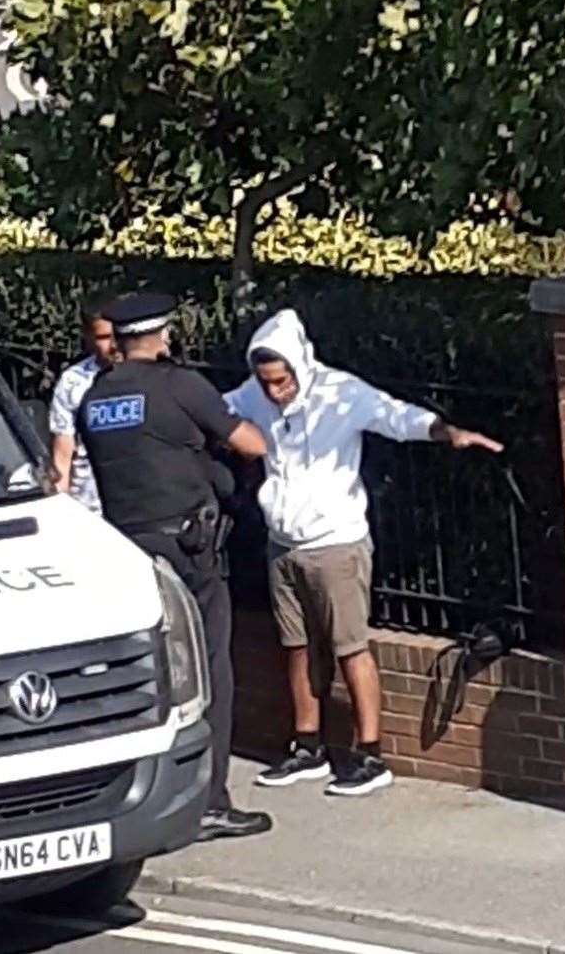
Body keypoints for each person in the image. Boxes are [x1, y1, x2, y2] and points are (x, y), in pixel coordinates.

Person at [224, 308, 504, 797]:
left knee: (349, 646)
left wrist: (447, 432)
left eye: (282, 381)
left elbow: (395, 416)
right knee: (297, 646)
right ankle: (307, 746)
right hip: (283, 542)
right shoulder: (253, 395)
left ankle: (370, 753)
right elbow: (213, 409)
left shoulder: (340, 393)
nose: (274, 392)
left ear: (300, 366)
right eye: (266, 382)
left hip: (336, 541)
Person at [78, 291, 273, 841]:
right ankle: (209, 802)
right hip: (189, 552)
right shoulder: (181, 385)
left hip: (129, 551)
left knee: (150, 677)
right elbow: (251, 444)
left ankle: (143, 797)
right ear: (162, 335)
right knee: (210, 669)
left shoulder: (95, 398)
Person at [49, 309, 118, 514]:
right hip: (90, 509)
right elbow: (62, 455)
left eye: (118, 336)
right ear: (88, 338)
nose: (114, 346)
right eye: (104, 337)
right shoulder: (73, 381)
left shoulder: (149, 376)